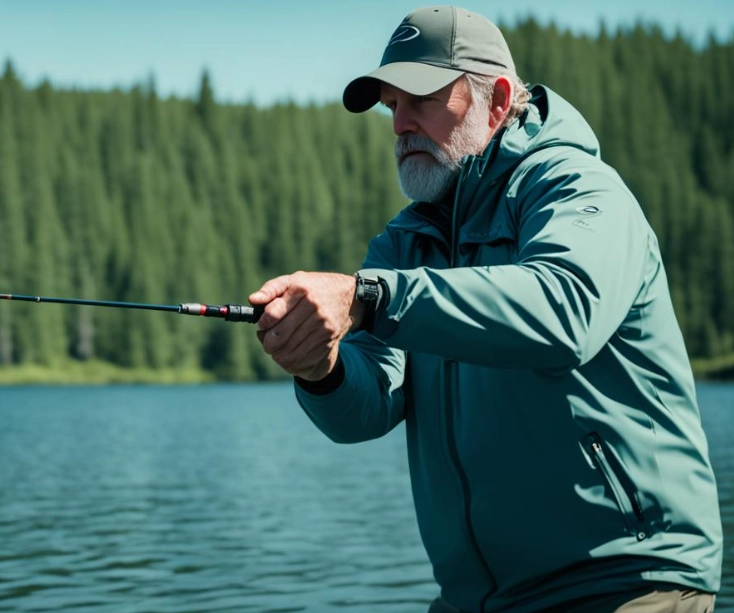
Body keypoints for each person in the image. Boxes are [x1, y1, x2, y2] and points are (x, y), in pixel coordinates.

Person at [249, 5, 722, 613]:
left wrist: (370, 297)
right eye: (391, 105)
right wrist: (321, 367)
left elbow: (562, 311)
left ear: (497, 101)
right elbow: (364, 409)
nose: (399, 125)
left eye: (421, 99)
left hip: (624, 582)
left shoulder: (577, 188)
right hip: (477, 600)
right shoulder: (404, 243)